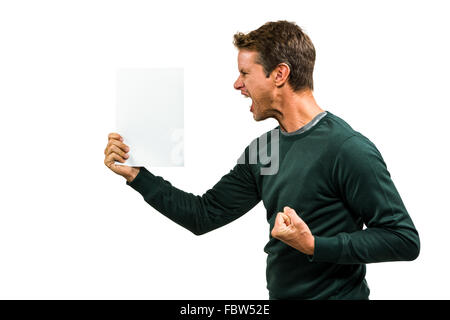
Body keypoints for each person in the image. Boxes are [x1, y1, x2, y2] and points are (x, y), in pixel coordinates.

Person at [104, 20, 420, 299]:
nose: (237, 84)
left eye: (245, 73)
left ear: (280, 74)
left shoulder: (347, 149)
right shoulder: (264, 150)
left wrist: (315, 246)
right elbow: (204, 215)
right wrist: (137, 175)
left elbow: (403, 238)